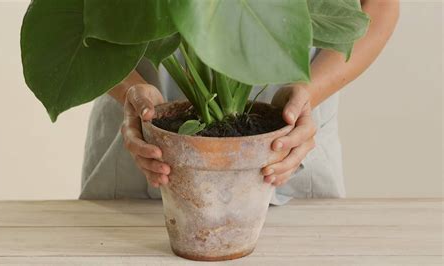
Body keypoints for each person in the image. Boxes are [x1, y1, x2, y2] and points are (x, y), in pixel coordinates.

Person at [80, 0, 399, 204]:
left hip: (288, 144)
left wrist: (308, 91)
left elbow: (380, 7)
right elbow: (79, 19)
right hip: (145, 135)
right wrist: (131, 91)